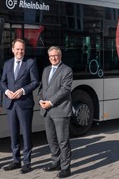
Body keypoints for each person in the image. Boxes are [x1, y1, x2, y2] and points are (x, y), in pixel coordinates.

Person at [0, 38, 40, 174]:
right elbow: (2, 82)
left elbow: (35, 82)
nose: (20, 51)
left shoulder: (30, 63)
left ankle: (27, 163)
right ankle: (16, 161)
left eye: (22, 49)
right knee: (13, 134)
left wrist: (22, 91)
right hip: (11, 104)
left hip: (24, 104)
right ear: (12, 50)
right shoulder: (7, 64)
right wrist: (6, 91)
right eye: (17, 49)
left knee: (26, 134)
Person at [39, 46, 73, 178]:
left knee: (62, 141)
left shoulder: (67, 70)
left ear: (60, 56)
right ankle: (55, 162)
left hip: (60, 111)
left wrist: (50, 102)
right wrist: (41, 100)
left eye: (55, 56)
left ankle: (66, 168)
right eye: (51, 56)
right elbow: (42, 88)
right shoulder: (46, 70)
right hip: (46, 111)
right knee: (51, 139)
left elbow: (65, 90)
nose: (53, 58)